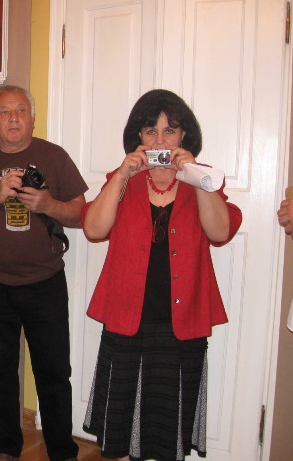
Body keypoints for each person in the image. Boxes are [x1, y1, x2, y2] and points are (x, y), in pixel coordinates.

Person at [80, 89, 242, 461]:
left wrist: (196, 176)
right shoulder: (124, 180)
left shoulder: (203, 181)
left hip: (180, 322)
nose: (160, 140)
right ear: (138, 136)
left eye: (170, 131)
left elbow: (220, 232)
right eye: (150, 131)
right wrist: (123, 174)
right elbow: (93, 228)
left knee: (167, 425)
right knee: (121, 422)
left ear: (184, 135)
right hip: (127, 319)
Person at [0, 85, 87, 461]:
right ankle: (7, 448)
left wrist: (48, 204)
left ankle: (62, 451)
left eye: (21, 110)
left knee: (54, 372)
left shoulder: (54, 156)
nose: (14, 118)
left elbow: (83, 215)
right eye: (5, 112)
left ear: (32, 117)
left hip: (45, 283)